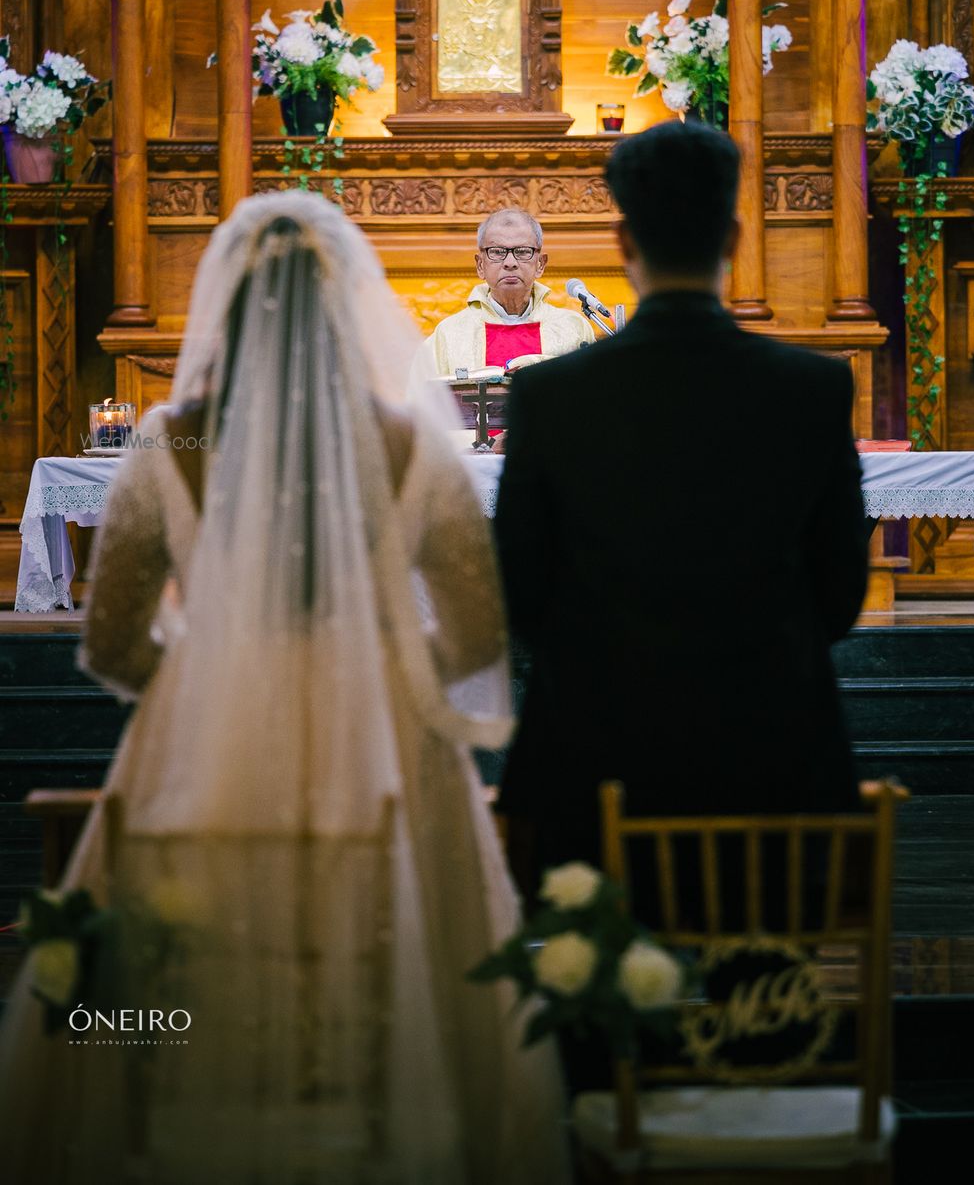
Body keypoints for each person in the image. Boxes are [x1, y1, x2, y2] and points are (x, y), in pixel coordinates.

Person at [0, 192, 570, 1185]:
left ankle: (160, 1114)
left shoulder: (171, 441)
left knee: (165, 967)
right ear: (350, 305)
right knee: (419, 968)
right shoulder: (408, 444)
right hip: (385, 752)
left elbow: (110, 641)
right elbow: (480, 629)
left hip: (211, 748)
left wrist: (207, 677)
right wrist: (384, 675)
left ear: (230, 305)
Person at [495, 121, 870, 897]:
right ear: (734, 234)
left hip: (590, 774)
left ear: (623, 238)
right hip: (771, 769)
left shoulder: (550, 395)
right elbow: (839, 596)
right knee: (763, 998)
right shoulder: (813, 389)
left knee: (591, 1002)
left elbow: (522, 594)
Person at [419, 208, 594, 377]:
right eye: (497, 252)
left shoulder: (573, 328)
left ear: (540, 264)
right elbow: (421, 399)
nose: (510, 262)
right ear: (480, 265)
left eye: (523, 251)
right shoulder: (449, 333)